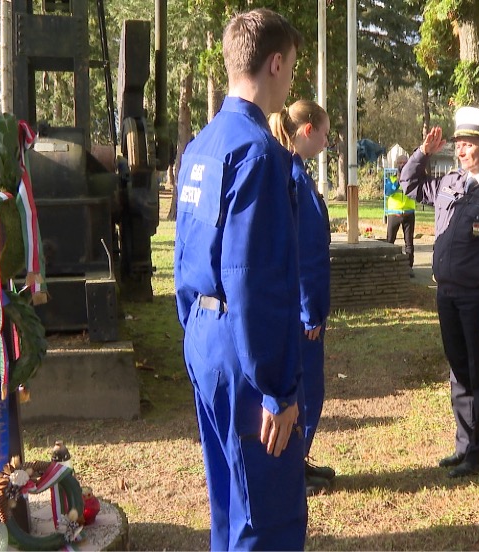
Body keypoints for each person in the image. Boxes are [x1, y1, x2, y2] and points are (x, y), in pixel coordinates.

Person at [173, 9, 306, 550]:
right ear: (275, 63)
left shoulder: (202, 146)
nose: (291, 80)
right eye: (292, 68)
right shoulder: (258, 152)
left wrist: (195, 325)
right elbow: (254, 280)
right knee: (264, 513)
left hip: (205, 337)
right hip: (243, 350)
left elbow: (184, 253)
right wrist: (278, 388)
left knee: (227, 499)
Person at [400, 106, 479, 479]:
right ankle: (463, 445)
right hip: (447, 294)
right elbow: (408, 185)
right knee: (459, 372)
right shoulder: (450, 182)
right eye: (459, 145)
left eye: (468, 144)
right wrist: (422, 153)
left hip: (478, 299)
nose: (461, 151)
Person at [268, 100, 336, 496]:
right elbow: (306, 250)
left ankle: (300, 461)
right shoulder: (294, 176)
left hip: (295, 305)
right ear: (307, 130)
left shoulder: (292, 171)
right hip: (300, 310)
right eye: (325, 134)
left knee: (307, 388)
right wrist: (311, 312)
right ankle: (293, 468)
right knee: (307, 387)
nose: (327, 142)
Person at [384, 154, 416, 275]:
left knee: (409, 242)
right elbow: (388, 191)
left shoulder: (412, 177)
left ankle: (409, 267)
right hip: (394, 213)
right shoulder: (391, 177)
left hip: (408, 213)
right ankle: (387, 266)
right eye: (400, 163)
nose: (402, 165)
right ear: (396, 164)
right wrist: (398, 180)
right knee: (390, 241)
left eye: (404, 163)